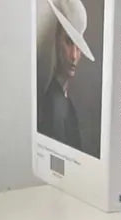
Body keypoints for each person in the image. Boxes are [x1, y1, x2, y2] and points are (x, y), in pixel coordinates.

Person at [38, 0, 95, 151]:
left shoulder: (65, 101)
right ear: (57, 41)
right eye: (68, 42)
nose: (74, 56)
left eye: (78, 47)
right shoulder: (53, 104)